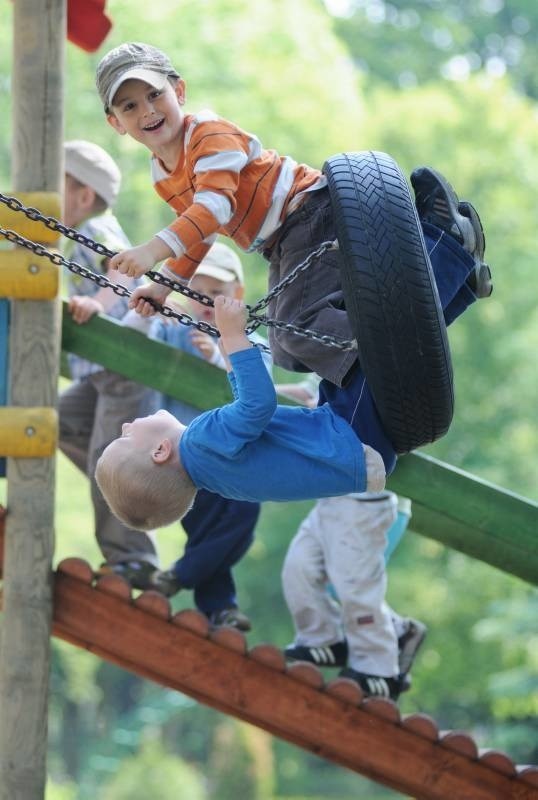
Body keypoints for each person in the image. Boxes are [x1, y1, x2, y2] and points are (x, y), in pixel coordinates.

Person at [93, 41, 492, 399]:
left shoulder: (207, 135)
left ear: (178, 91)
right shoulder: (161, 174)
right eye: (129, 106)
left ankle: (441, 242)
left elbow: (214, 209)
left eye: (154, 94)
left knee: (298, 327)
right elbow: (201, 232)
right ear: (116, 123)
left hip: (308, 211)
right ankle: (454, 280)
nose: (147, 110)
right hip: (279, 240)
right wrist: (166, 287)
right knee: (284, 346)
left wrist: (150, 250)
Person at [145, 241, 273, 630]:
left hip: (234, 456)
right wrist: (157, 312)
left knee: (243, 518)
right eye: (196, 291)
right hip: (188, 458)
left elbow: (260, 383)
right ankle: (220, 608)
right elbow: (142, 347)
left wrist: (219, 359)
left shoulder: (254, 343)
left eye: (215, 293)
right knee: (203, 526)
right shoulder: (175, 330)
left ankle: (183, 573)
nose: (205, 301)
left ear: (236, 295)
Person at [59, 140, 162, 588]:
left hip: (122, 366)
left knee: (109, 456)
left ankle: (133, 557)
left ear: (83, 196)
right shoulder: (81, 230)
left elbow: (123, 272)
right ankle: (125, 492)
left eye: (53, 186)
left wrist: (98, 304)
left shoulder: (97, 227)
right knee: (58, 422)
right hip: (98, 373)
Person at [281, 491, 426, 701]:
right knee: (299, 568)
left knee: (354, 584)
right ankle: (321, 637)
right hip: (331, 496)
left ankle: (379, 667)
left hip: (367, 501)